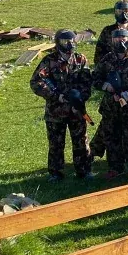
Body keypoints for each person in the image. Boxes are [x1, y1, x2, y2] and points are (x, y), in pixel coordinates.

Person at [30, 30, 94, 182]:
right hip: (56, 111)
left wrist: (79, 98)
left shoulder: (80, 60)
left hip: (76, 110)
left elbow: (87, 82)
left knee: (81, 141)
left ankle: (84, 171)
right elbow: (36, 82)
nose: (70, 44)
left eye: (72, 40)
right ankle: (56, 173)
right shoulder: (49, 61)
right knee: (56, 144)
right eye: (65, 41)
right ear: (58, 43)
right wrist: (55, 96)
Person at [90, 0, 128, 163]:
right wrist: (109, 83)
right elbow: (99, 59)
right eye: (120, 11)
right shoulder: (107, 31)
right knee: (110, 128)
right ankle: (100, 154)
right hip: (112, 87)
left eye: (126, 10)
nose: (123, 14)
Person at [94, 27, 128, 178]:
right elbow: (96, 79)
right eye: (117, 39)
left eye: (123, 39)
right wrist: (106, 86)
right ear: (112, 41)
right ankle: (115, 167)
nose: (120, 42)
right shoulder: (106, 60)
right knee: (112, 138)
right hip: (111, 107)